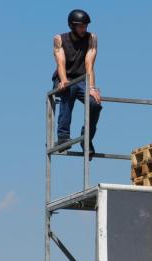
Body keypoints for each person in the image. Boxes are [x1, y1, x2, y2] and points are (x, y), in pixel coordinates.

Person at [52, 9, 102, 160]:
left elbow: (89, 65)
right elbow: (60, 62)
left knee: (95, 104)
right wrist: (63, 80)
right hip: (63, 78)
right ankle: (63, 136)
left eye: (86, 26)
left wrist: (92, 88)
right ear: (72, 26)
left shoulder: (91, 38)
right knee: (69, 89)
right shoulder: (59, 39)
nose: (84, 29)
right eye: (81, 26)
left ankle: (86, 138)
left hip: (81, 80)